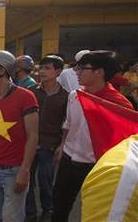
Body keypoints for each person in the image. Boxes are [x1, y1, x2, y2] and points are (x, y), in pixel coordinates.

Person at [52, 50, 133, 222]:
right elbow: (68, 124)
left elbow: (126, 138)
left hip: (96, 165)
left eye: (82, 68)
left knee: (94, 210)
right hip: (68, 159)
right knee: (59, 206)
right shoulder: (75, 96)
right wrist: (62, 145)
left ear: (99, 72)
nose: (77, 72)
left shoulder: (118, 103)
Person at [0, 50, 39, 222]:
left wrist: (25, 170)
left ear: (2, 70)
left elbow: (33, 136)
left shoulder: (26, 97)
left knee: (12, 218)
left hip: (14, 170)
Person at [25, 55, 69, 222]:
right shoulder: (31, 92)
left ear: (58, 71)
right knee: (26, 179)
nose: (42, 71)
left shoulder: (66, 96)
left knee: (45, 180)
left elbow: (67, 123)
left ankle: (47, 209)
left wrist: (62, 145)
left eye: (47, 68)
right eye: (41, 68)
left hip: (50, 146)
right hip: (29, 143)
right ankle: (30, 213)